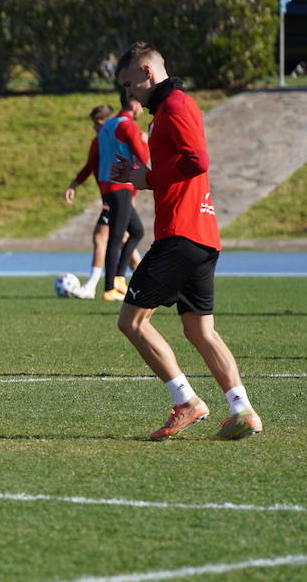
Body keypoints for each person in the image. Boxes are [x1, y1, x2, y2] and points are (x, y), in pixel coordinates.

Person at [111, 42, 261, 440]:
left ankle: (187, 401)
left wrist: (148, 178)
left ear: (146, 72)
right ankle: (242, 410)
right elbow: (180, 166)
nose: (129, 95)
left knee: (132, 321)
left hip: (181, 234)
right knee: (199, 331)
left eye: (130, 84)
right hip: (202, 236)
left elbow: (198, 161)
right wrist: (142, 173)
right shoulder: (167, 110)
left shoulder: (175, 105)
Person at [63, 93, 147, 300]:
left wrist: (76, 183)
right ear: (133, 104)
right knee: (113, 237)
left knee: (128, 233)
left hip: (112, 191)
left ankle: (118, 280)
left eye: (96, 123)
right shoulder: (123, 128)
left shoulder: (107, 133)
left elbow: (94, 163)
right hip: (119, 190)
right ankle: (111, 285)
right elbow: (140, 156)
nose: (94, 127)